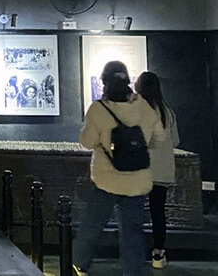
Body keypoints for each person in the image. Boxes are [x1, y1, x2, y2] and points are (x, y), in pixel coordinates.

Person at [73, 61, 167, 276]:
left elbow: (87, 142)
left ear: (104, 82)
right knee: (133, 232)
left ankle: (79, 264)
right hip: (137, 180)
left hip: (107, 179)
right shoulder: (143, 106)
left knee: (91, 226)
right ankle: (132, 272)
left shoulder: (99, 109)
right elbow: (160, 137)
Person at [135, 71, 180, 269]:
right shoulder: (167, 112)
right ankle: (158, 255)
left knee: (134, 212)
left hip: (140, 171)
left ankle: (133, 252)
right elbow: (176, 141)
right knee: (158, 213)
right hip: (162, 172)